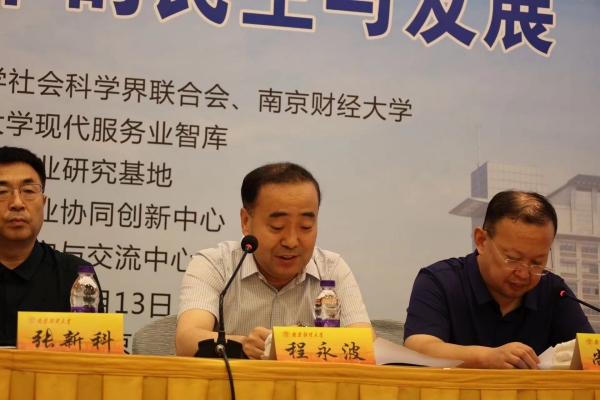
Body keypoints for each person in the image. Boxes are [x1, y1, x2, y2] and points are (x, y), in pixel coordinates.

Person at [176, 162, 372, 358]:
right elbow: (186, 340)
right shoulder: (214, 264)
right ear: (246, 222)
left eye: (305, 226)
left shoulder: (332, 269)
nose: (291, 241)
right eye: (277, 227)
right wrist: (243, 344)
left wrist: (294, 341)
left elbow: (366, 345)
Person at [404, 190, 594, 369]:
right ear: (481, 241)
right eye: (513, 259)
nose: (524, 273)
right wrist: (487, 357)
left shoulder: (555, 292)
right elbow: (419, 348)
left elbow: (592, 356)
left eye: (537, 262)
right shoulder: (440, 281)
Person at [0, 146, 104, 346]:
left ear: (44, 203)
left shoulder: (76, 278)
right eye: (2, 192)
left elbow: (91, 354)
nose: (17, 203)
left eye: (28, 191)